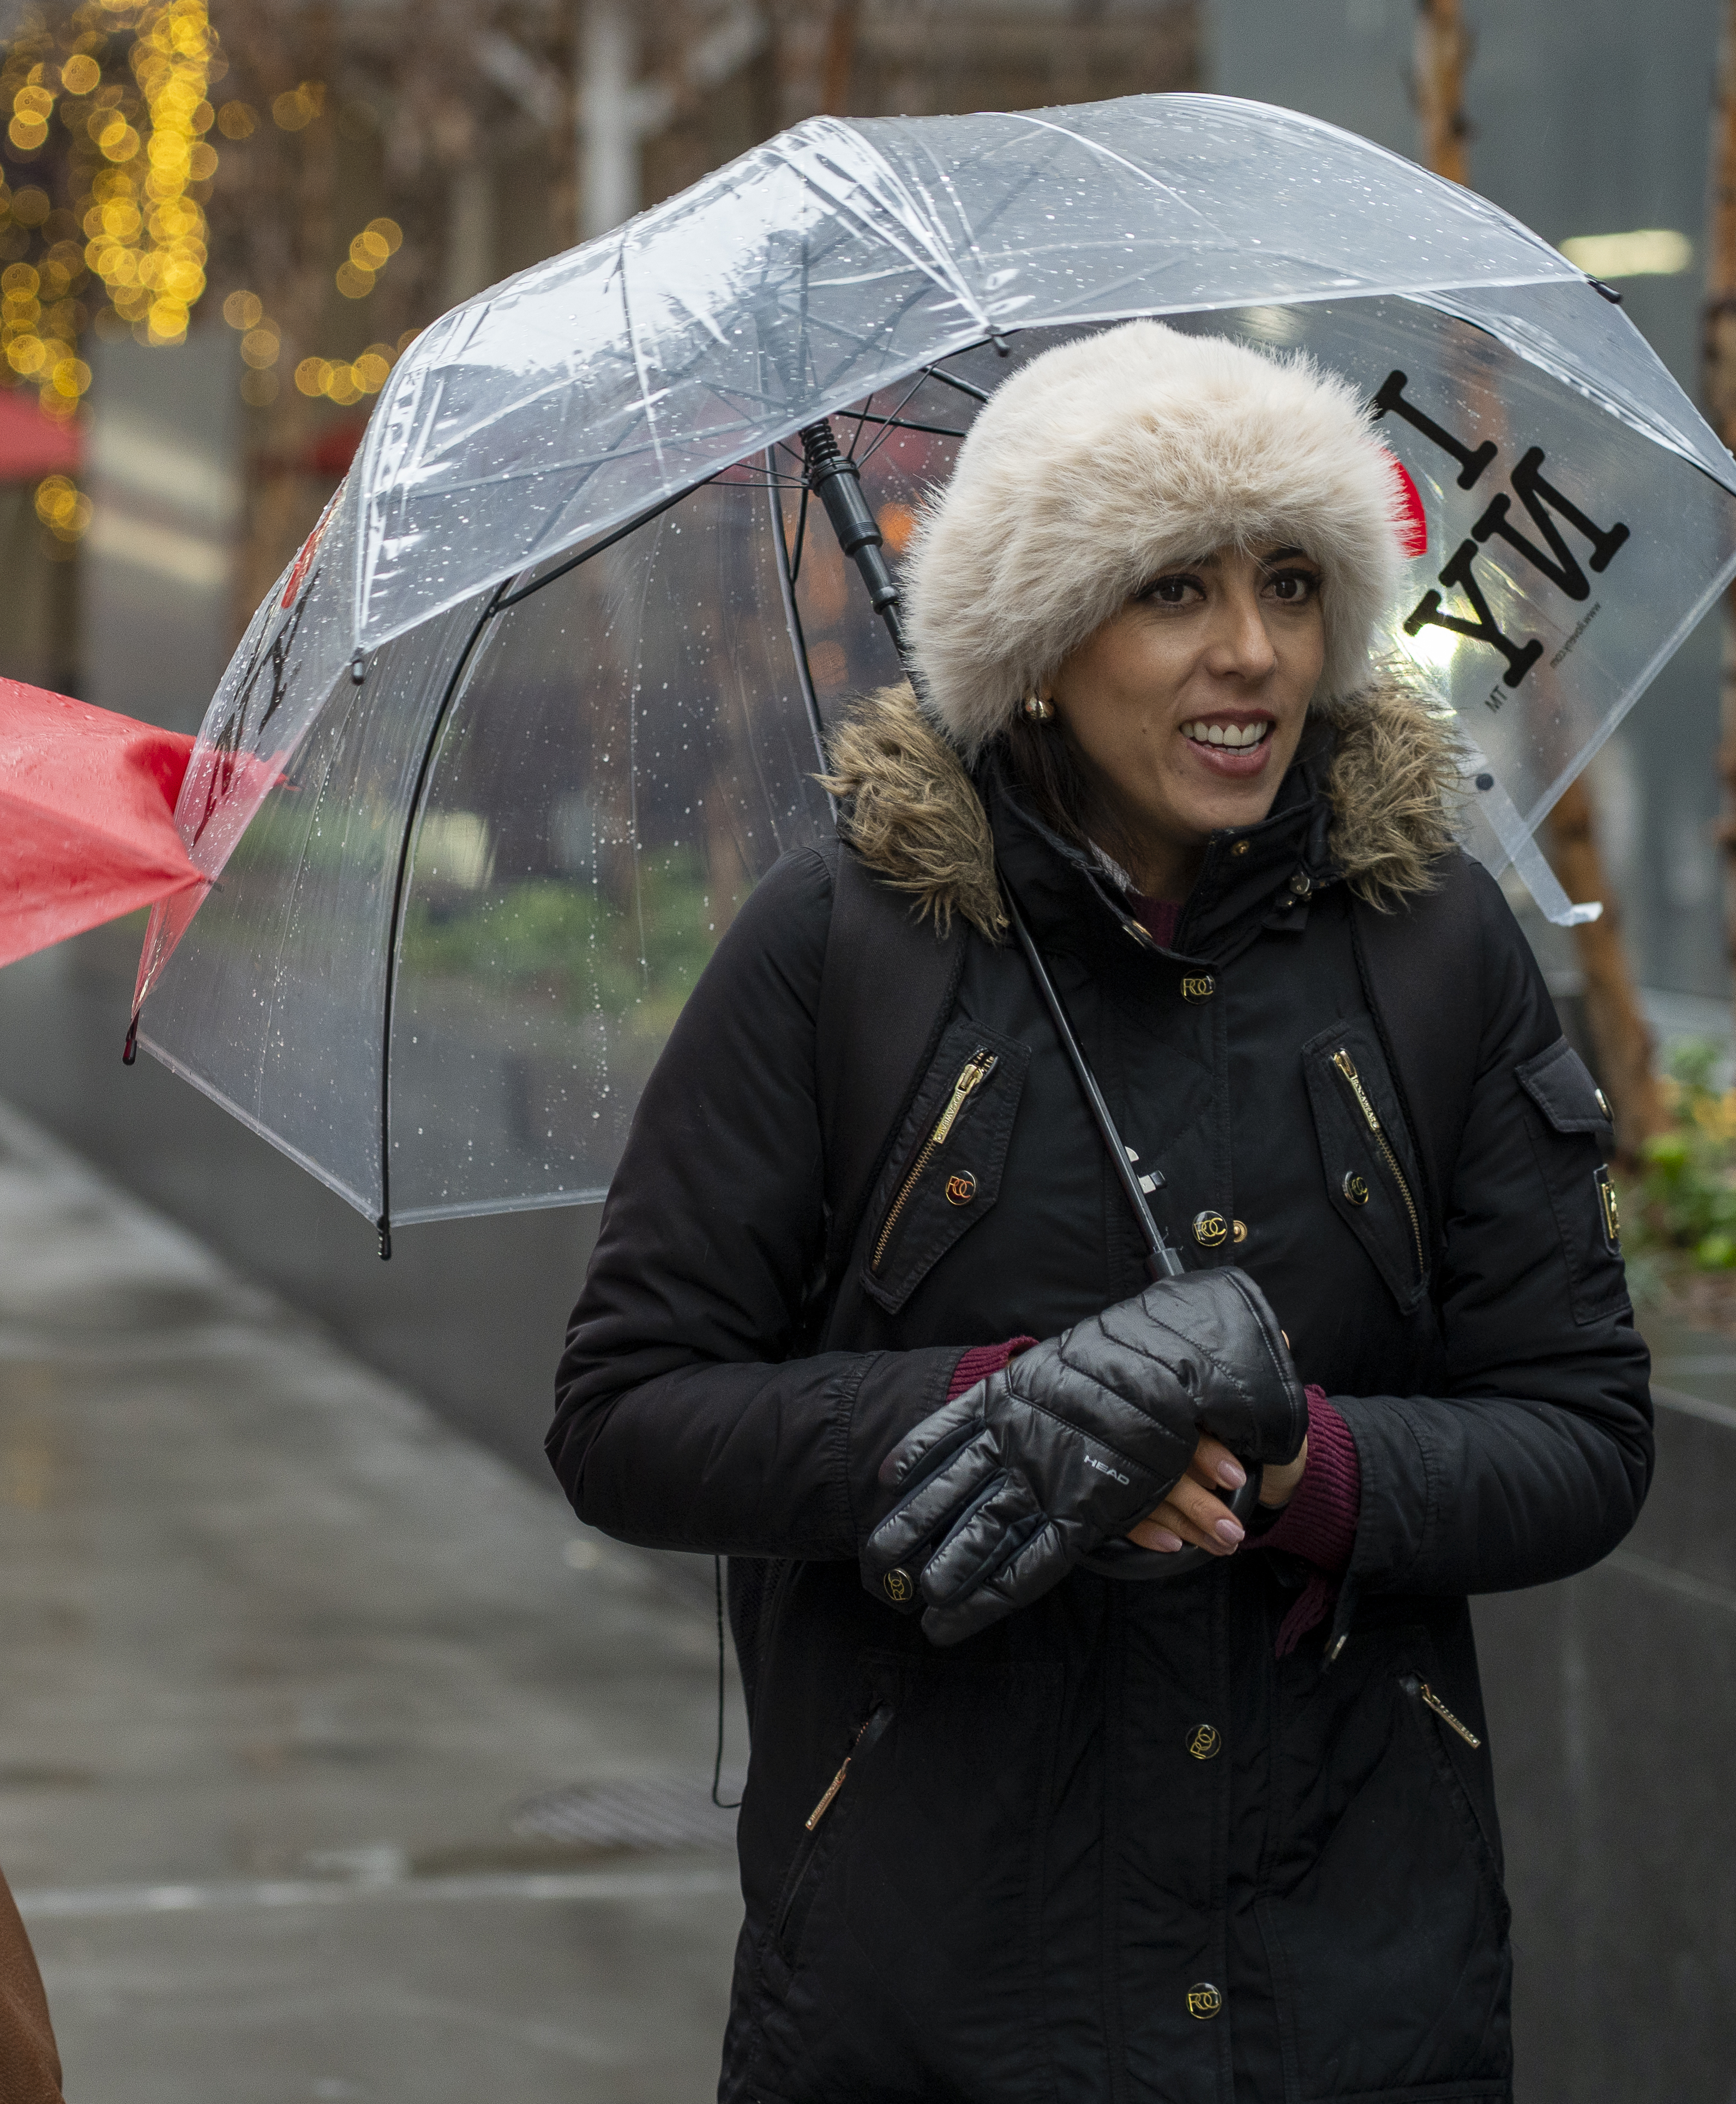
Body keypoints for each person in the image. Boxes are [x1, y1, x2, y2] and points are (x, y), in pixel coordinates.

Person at [550, 323, 1651, 2102]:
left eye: (1291, 582)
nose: (1250, 651)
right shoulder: (838, 949)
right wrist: (1011, 1405)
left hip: (1349, 1989)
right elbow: (623, 1417)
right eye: (1167, 588)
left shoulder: (1434, 945)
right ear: (1037, 647)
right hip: (933, 1993)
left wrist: (1305, 1469)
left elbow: (1585, 1431)